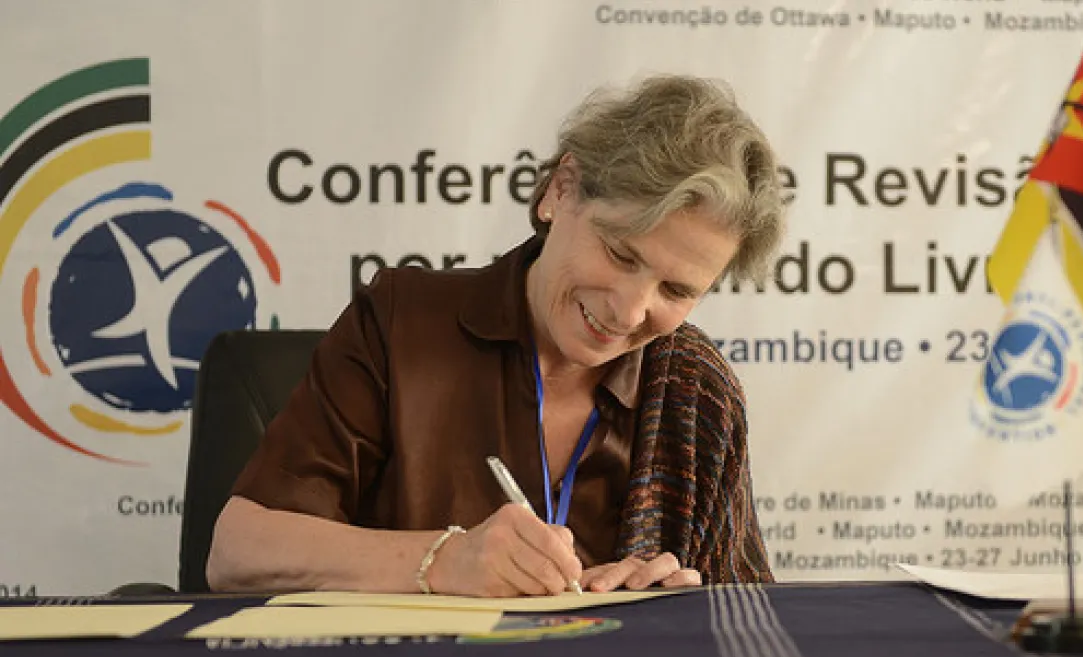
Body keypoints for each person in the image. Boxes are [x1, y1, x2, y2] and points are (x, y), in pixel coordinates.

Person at [206, 74, 786, 597]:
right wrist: (442, 561)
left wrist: (685, 602)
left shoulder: (697, 388)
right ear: (561, 191)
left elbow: (747, 624)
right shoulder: (399, 322)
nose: (632, 312)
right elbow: (237, 552)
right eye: (619, 253)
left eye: (677, 292)